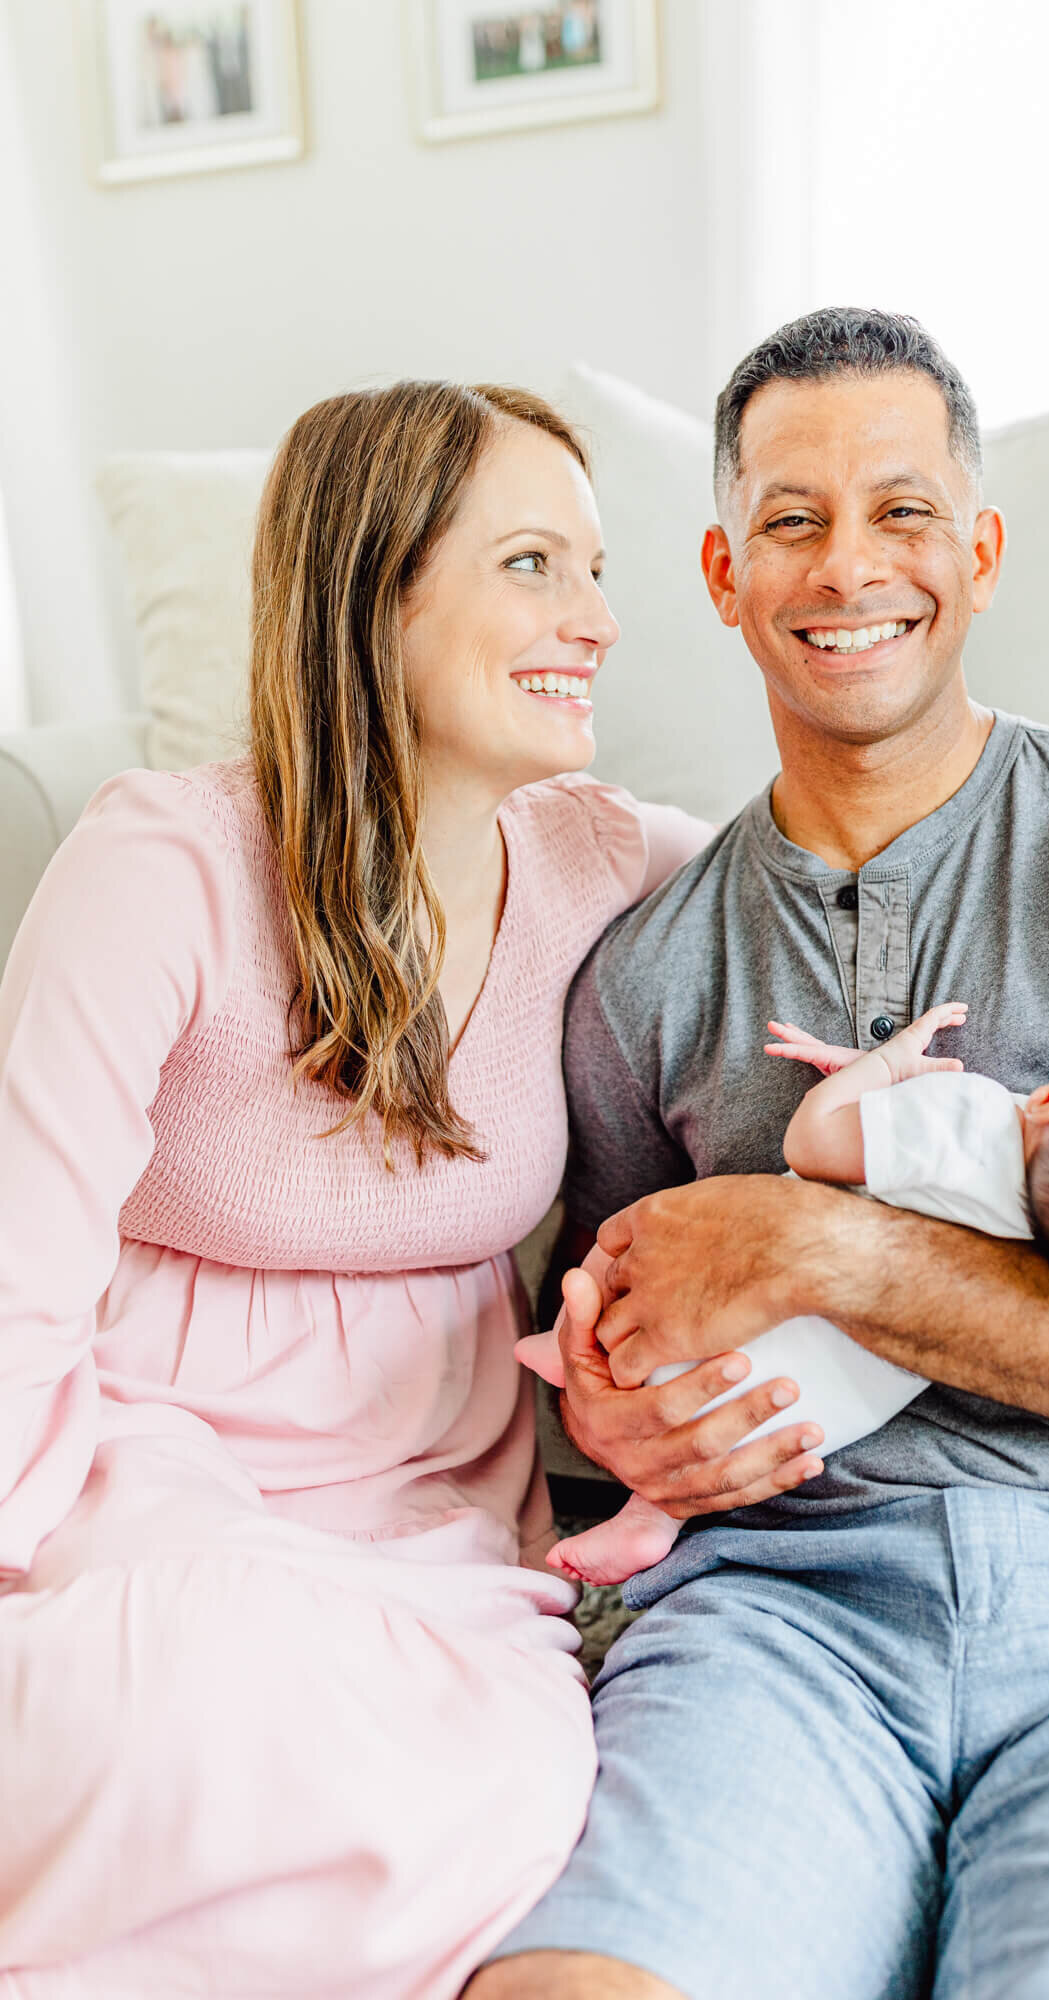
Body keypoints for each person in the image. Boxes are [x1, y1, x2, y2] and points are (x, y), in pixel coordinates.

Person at [472, 309, 1049, 2000]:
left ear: (982, 553)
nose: (846, 564)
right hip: (776, 1617)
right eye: (789, 520)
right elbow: (608, 1359)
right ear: (722, 576)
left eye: (902, 511)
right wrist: (615, 1405)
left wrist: (829, 1250)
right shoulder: (640, 975)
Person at [0, 379, 737, 1996]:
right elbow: (16, 1289)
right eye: (534, 565)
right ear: (375, 587)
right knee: (177, 1699)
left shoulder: (596, 860)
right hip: (142, 1468)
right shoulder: (157, 865)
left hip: (431, 1531)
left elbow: (826, 895)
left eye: (596, 568)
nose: (598, 620)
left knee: (516, 1796)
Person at [521, 1004, 1049, 1585]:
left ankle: (569, 1347)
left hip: (724, 1340)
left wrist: (883, 1068)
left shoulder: (969, 1115)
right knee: (724, 1433)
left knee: (631, 1257)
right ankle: (648, 1522)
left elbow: (817, 1141)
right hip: (834, 1404)